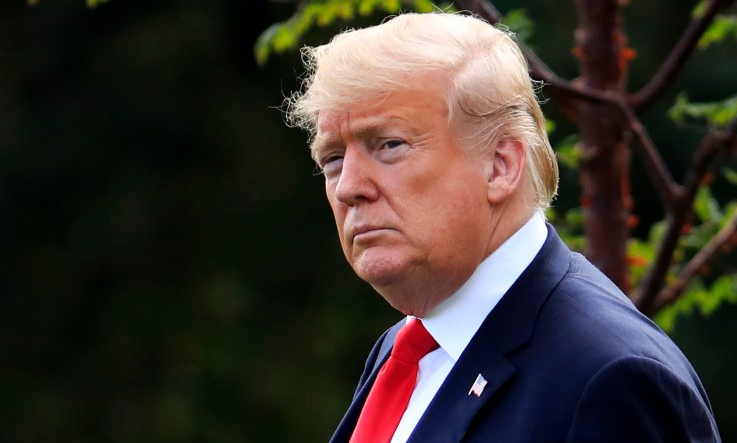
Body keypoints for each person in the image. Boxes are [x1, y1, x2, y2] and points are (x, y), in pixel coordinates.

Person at [285, 12, 720, 443]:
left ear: (500, 165)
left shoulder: (612, 377)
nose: (349, 188)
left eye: (390, 145)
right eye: (333, 159)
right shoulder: (408, 349)